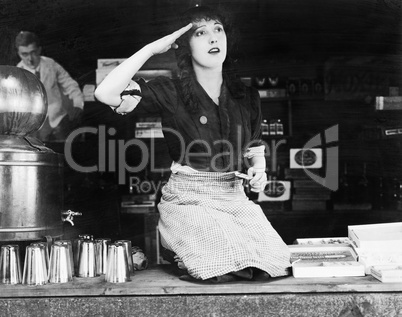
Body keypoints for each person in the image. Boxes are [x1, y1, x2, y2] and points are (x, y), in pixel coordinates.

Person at [95, 5, 290, 283]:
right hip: (189, 201)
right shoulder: (168, 90)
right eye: (201, 32)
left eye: (218, 29)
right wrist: (150, 49)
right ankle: (183, 251)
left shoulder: (246, 96)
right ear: (185, 46)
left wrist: (260, 169)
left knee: (272, 264)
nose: (213, 38)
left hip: (235, 199)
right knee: (218, 267)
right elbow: (105, 93)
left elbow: (254, 148)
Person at [15, 31, 84, 142]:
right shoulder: (17, 73)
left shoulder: (51, 64)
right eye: (25, 54)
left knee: (64, 151)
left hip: (57, 119)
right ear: (19, 53)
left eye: (33, 52)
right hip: (32, 125)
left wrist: (78, 103)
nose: (30, 59)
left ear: (39, 50)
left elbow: (70, 84)